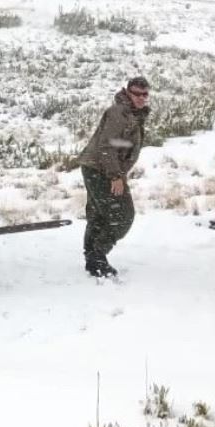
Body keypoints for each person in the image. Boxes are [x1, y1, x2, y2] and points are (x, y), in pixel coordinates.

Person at [77, 76, 151, 277]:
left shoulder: (132, 113)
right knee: (123, 216)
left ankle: (93, 260)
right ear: (128, 92)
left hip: (97, 168)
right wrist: (115, 176)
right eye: (137, 94)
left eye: (145, 94)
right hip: (100, 170)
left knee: (99, 216)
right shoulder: (119, 113)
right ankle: (97, 257)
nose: (141, 98)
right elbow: (106, 146)